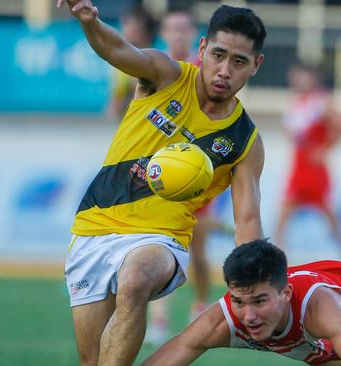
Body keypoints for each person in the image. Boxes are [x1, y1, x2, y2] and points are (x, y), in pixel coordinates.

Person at [56, 1, 267, 365]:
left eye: (239, 61)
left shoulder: (245, 141)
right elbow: (117, 49)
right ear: (202, 48)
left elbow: (247, 221)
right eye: (218, 54)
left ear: (255, 65)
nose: (224, 70)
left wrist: (255, 283)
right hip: (94, 228)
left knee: (135, 279)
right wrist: (90, 21)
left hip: (160, 240)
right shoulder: (164, 73)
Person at [143, 229, 341, 366]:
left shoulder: (318, 309)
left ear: (286, 294)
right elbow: (172, 354)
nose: (248, 316)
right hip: (319, 342)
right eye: (239, 301)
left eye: (259, 301)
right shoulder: (225, 319)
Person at [143, 6, 200, 346]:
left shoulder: (206, 71)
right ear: (164, 32)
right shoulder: (152, 67)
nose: (178, 34)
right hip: (161, 172)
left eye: (184, 29)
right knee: (158, 241)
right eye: (172, 29)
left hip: (197, 173)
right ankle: (160, 319)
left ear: (194, 34)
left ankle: (200, 304)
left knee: (201, 246)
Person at [275, 63, 341, 253]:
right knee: (284, 214)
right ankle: (277, 256)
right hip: (299, 166)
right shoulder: (296, 101)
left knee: (331, 220)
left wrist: (324, 148)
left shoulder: (320, 101)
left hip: (313, 169)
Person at [106, 6, 157, 119]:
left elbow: (116, 106)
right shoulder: (122, 62)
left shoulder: (158, 63)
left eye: (129, 24)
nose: (124, 30)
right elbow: (114, 106)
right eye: (124, 24)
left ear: (143, 31)